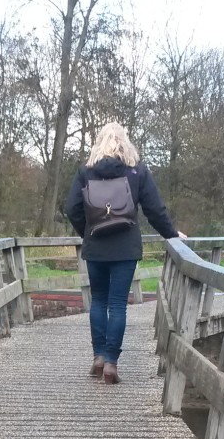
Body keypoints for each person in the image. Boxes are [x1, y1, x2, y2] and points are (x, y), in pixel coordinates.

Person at [63, 122, 186, 384]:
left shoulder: (86, 171)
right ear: (125, 141)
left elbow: (71, 207)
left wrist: (89, 231)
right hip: (125, 248)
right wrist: (172, 235)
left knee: (98, 301)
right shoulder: (137, 170)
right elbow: (155, 210)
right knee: (118, 303)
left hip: (96, 247)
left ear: (99, 142)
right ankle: (111, 362)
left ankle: (97, 356)